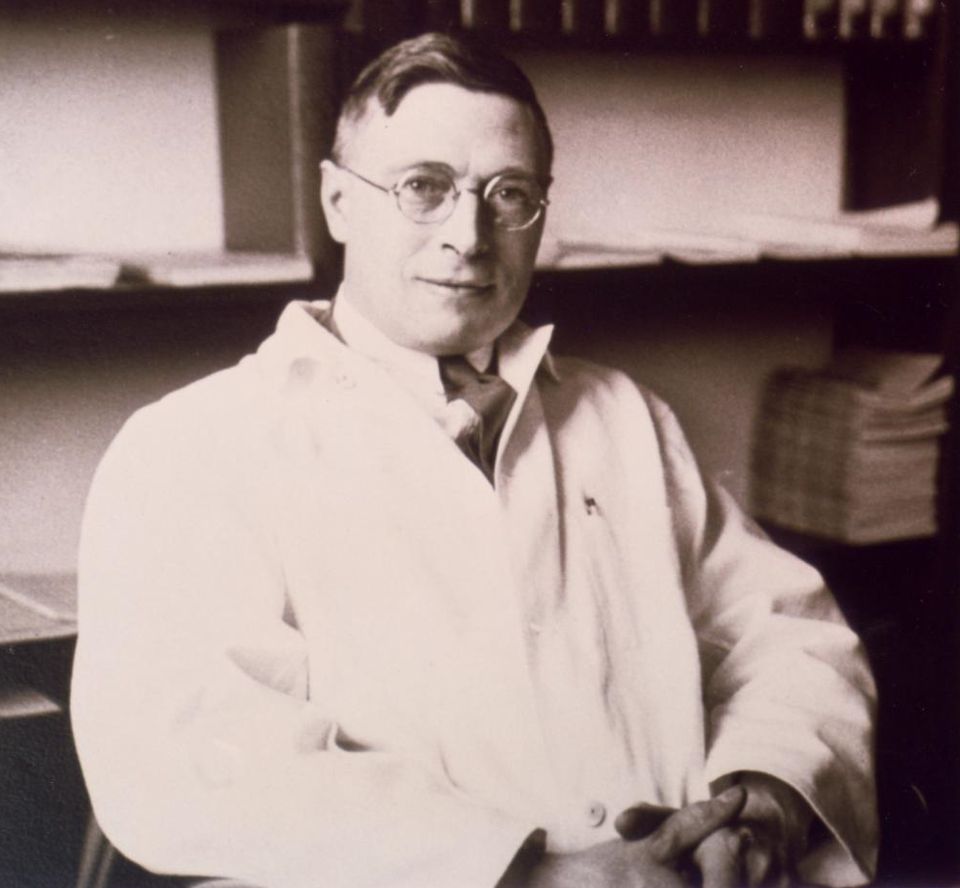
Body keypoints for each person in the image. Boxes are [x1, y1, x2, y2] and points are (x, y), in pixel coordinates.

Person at [71, 32, 877, 888]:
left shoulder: (622, 415)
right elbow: (188, 757)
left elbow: (787, 636)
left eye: (509, 194)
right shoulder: (193, 445)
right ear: (338, 201)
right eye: (424, 188)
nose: (469, 235)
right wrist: (525, 876)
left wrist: (759, 805)